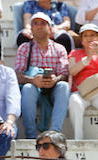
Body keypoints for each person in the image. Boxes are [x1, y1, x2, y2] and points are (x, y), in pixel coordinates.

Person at [16, 12, 70, 140]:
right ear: (31, 29)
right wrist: (33, 80)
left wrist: (55, 79)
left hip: (53, 88)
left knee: (64, 86)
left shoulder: (59, 48)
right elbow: (17, 75)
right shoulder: (24, 48)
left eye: (42, 23)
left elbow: (65, 74)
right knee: (28, 88)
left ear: (50, 28)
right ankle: (31, 135)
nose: (39, 27)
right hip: (34, 87)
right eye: (35, 24)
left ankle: (55, 133)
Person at [66, 22, 98, 143]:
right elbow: (72, 71)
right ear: (82, 39)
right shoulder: (75, 53)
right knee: (74, 101)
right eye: (86, 35)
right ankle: (78, 137)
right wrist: (87, 59)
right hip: (82, 92)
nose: (89, 38)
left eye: (92, 35)